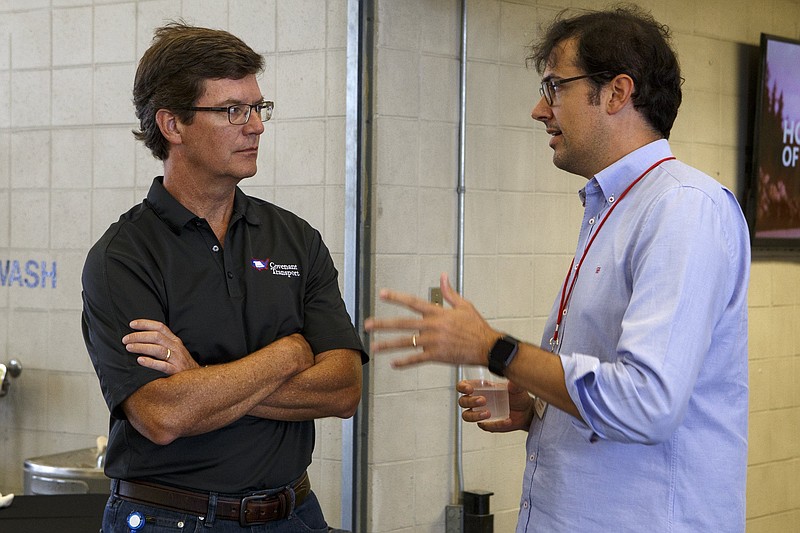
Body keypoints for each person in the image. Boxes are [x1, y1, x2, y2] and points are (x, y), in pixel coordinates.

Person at [365, 5, 749, 532]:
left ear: (617, 92)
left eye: (554, 87)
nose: (538, 110)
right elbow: (609, 384)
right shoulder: (614, 207)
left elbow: (647, 403)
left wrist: (494, 348)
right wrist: (539, 405)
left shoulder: (682, 208)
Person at [81, 22, 367, 532]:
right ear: (173, 125)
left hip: (293, 514)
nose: (255, 125)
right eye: (233, 110)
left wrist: (201, 381)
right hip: (173, 519)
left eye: (259, 108)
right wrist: (290, 353)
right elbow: (163, 416)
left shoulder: (295, 238)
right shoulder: (124, 256)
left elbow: (343, 389)